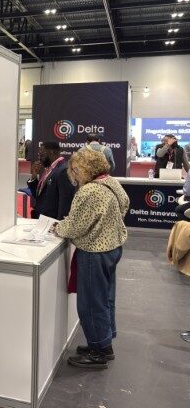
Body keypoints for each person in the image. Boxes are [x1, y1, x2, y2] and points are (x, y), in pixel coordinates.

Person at [54, 149, 129, 369]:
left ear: (82, 168)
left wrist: (58, 227)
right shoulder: (110, 182)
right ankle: (104, 344)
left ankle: (98, 353)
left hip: (94, 252)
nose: (74, 175)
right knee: (105, 299)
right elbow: (125, 203)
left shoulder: (89, 191)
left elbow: (75, 226)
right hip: (112, 248)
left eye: (75, 170)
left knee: (90, 303)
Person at [27, 141, 75, 220]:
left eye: (41, 155)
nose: (39, 158)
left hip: (52, 221)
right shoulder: (49, 169)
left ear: (51, 152)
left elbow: (65, 202)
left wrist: (60, 224)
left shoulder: (63, 170)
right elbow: (39, 195)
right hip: (42, 219)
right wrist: (34, 176)